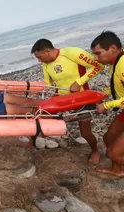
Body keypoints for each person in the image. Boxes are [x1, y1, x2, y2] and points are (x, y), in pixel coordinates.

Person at [31, 39, 105, 164]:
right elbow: (48, 84)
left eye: (39, 57)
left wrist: (78, 83)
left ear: (47, 51)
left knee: (85, 132)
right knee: (36, 115)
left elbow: (99, 66)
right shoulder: (46, 64)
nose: (39, 60)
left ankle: (95, 151)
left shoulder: (72, 53)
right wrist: (39, 89)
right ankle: (31, 144)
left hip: (82, 99)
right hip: (63, 100)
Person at [91, 31, 124, 177]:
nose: (96, 59)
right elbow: (116, 85)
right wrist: (103, 93)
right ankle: (117, 170)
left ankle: (118, 160)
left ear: (112, 48)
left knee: (113, 153)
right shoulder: (114, 63)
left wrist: (106, 105)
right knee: (108, 138)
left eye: (98, 54)